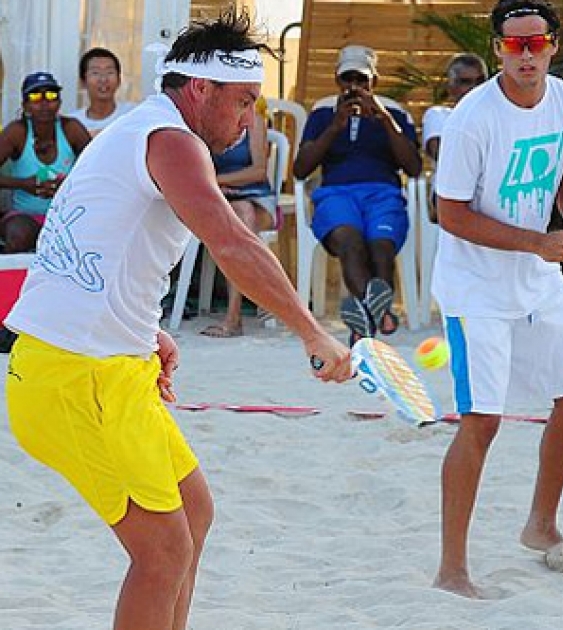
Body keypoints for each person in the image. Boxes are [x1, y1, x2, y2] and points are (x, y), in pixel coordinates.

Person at [4, 9, 351, 630]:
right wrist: (312, 331)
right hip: (72, 378)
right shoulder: (171, 140)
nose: (248, 121)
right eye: (243, 102)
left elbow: (88, 241)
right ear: (200, 89)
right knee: (163, 551)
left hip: (103, 365)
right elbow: (234, 244)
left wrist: (144, 328)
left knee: (194, 515)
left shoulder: (138, 129)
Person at [431, 0, 563, 598]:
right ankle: (452, 571)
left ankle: (541, 523)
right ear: (496, 47)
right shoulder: (473, 118)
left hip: (537, 276)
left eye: (536, 43)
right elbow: (448, 213)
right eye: (513, 45)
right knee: (482, 421)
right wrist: (539, 241)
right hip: (475, 284)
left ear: (555, 44)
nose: (526, 55)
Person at [293, 44, 422, 344]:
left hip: (383, 193)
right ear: (337, 81)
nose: (354, 87)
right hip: (336, 194)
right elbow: (300, 170)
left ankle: (364, 323)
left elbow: (414, 167)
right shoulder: (324, 112)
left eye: (361, 80)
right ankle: (380, 315)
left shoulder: (395, 113)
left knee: (381, 247)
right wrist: (335, 127)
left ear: (374, 81)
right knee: (350, 242)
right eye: (347, 80)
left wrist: (384, 119)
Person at [202, 102, 278, 338]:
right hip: (218, 199)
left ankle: (234, 317)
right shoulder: (206, 123)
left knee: (244, 213)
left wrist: (218, 180)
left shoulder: (254, 121)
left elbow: (258, 171)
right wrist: (216, 187)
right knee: (241, 215)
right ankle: (263, 290)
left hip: (256, 198)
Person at [0, 72, 91, 253]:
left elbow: (98, 170)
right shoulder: (17, 132)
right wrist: (23, 184)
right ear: (25, 105)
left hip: (68, 216)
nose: (44, 103)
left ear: (59, 102)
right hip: (26, 216)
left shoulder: (71, 128)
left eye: (51, 95)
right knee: (18, 235)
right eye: (35, 96)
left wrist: (68, 183)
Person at [422, 53, 489, 164]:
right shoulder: (438, 115)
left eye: (480, 81)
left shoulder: (499, 117)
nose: (474, 88)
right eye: (466, 82)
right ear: (450, 86)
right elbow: (442, 155)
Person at [69, 48, 137, 136]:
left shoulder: (132, 114)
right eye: (95, 73)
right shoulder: (73, 123)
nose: (103, 79)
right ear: (83, 82)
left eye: (110, 72)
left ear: (119, 80)